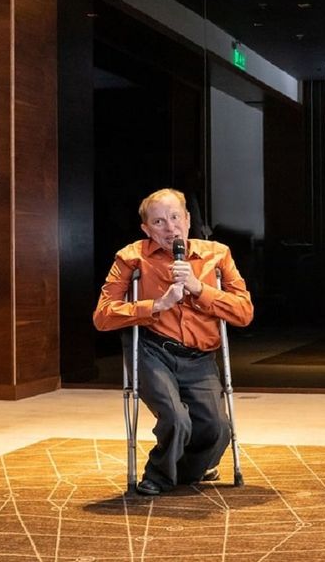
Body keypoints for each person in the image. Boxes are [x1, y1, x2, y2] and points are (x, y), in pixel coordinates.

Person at [93, 188, 253, 496]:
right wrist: (157, 305)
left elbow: (244, 312)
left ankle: (188, 470)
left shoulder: (217, 255)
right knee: (177, 420)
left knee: (217, 429)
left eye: (175, 217)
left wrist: (199, 288)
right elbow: (103, 316)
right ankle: (159, 475)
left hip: (199, 356)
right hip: (152, 350)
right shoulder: (131, 257)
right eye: (159, 222)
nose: (170, 228)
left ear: (188, 219)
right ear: (146, 229)